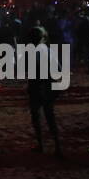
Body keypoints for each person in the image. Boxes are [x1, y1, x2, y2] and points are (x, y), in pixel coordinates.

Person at [25, 23, 63, 159]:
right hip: (48, 86)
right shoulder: (48, 50)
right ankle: (57, 146)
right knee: (50, 117)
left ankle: (41, 144)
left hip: (37, 87)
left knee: (37, 117)